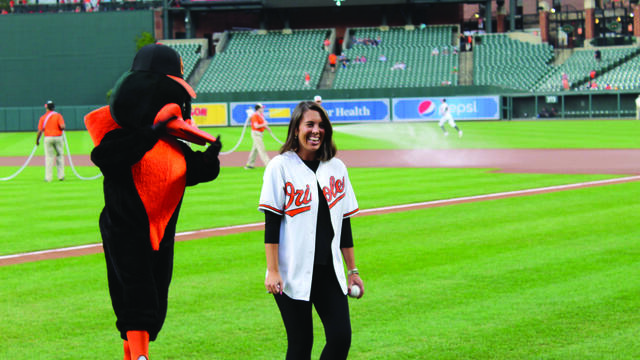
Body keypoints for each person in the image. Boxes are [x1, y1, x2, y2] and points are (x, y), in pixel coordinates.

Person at [85, 43, 222, 360]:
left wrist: (211, 157)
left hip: (161, 231)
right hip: (126, 226)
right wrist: (149, 132)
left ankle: (132, 353)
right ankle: (142, 356)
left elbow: (194, 171)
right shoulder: (122, 138)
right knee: (138, 292)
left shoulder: (174, 145)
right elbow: (106, 157)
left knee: (157, 296)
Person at [259, 101, 364, 360]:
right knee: (301, 343)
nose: (316, 130)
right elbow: (271, 224)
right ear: (296, 129)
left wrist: (353, 271)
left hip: (329, 272)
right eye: (309, 125)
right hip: (291, 272)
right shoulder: (280, 167)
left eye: (321, 125)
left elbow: (345, 224)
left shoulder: (337, 168)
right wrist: (273, 271)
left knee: (341, 338)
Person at [35, 100, 66, 182]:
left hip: (48, 138)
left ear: (47, 108)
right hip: (58, 137)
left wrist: (37, 140)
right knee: (60, 156)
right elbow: (62, 126)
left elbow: (40, 131)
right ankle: (61, 176)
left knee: (49, 158)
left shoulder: (43, 117)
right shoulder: (58, 116)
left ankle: (48, 178)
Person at [245, 103, 271, 169]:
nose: (263, 109)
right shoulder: (254, 116)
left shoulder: (261, 115)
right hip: (256, 134)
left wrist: (267, 127)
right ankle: (268, 165)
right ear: (259, 109)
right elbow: (256, 126)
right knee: (262, 149)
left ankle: (250, 164)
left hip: (260, 133)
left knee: (255, 149)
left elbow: (261, 123)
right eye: (262, 108)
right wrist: (264, 124)